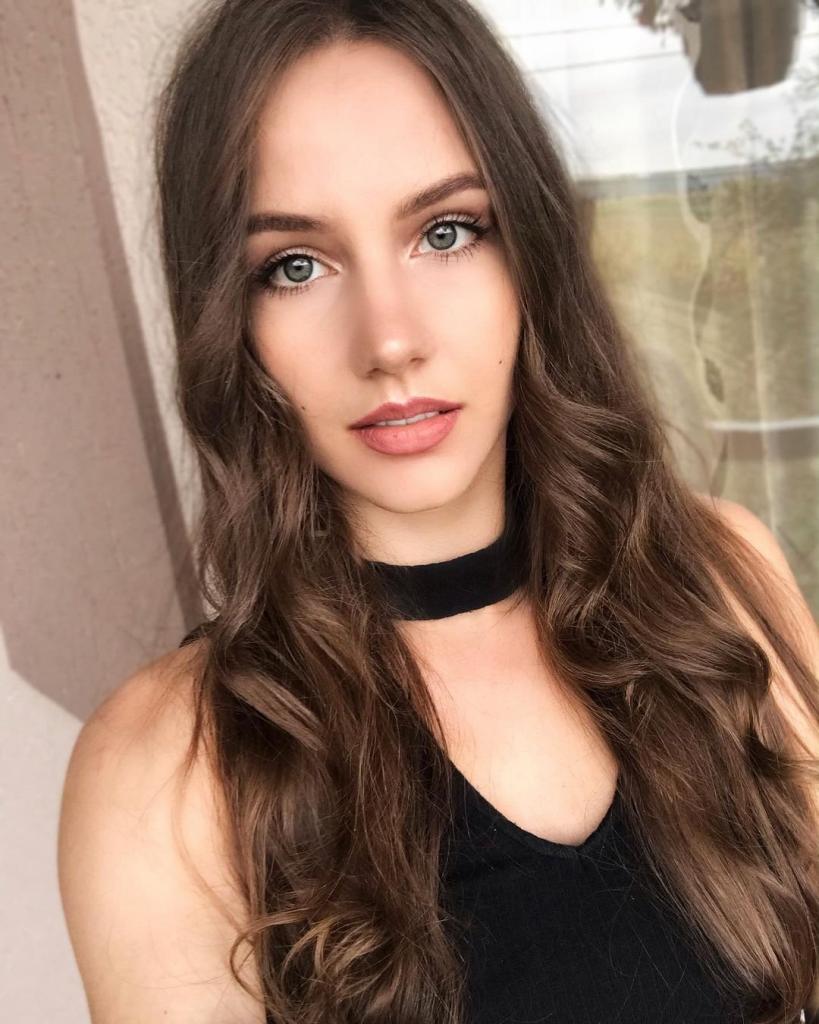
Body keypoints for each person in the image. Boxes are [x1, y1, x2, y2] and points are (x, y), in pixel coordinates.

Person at [57, 1, 819, 1022]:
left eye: (446, 231)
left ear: (531, 256)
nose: (389, 338)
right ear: (230, 322)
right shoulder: (167, 769)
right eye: (295, 265)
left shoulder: (721, 578)